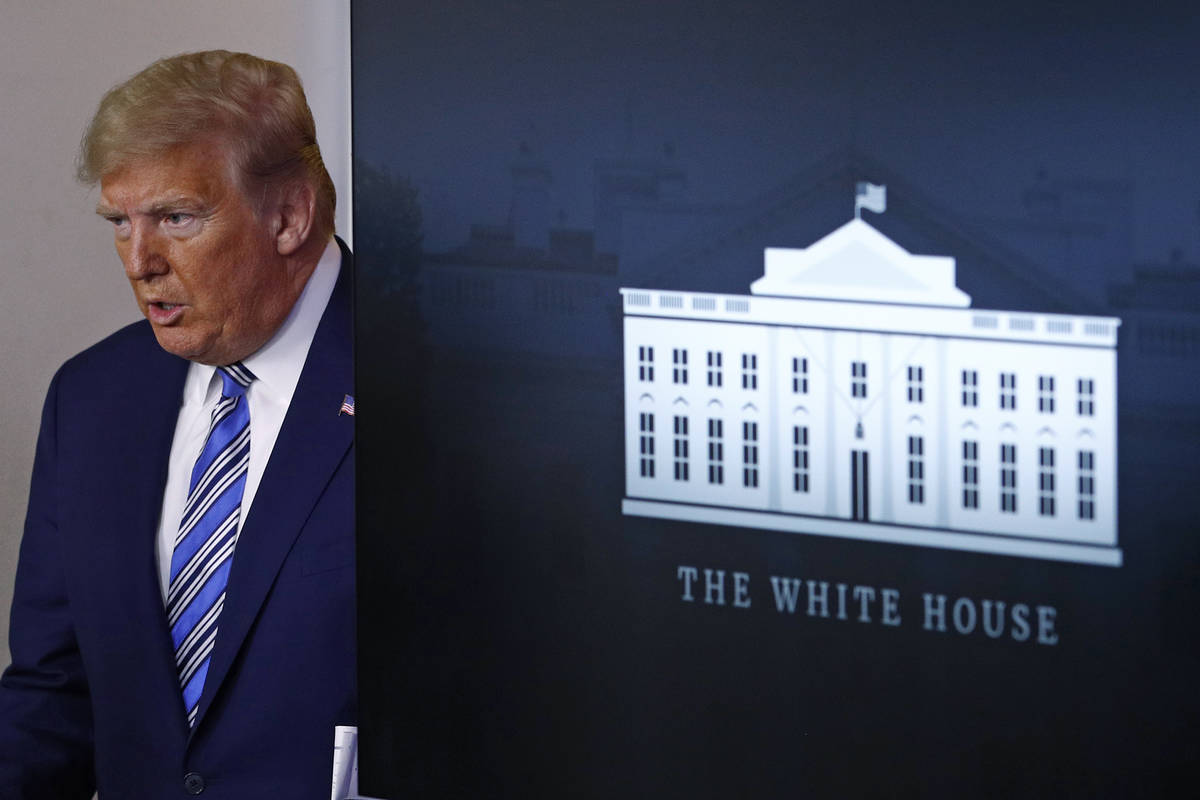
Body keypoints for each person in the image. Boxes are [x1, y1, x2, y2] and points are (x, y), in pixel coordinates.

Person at [0, 50, 355, 798]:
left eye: (175, 217)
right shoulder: (93, 398)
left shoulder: (440, 382)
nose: (139, 261)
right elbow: (52, 694)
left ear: (289, 216)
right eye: (120, 223)